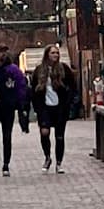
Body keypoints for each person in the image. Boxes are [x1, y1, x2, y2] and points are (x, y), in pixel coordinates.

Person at [29, 45, 77, 174]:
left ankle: (59, 163)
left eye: (57, 53)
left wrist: (69, 103)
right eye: (52, 53)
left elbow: (72, 87)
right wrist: (36, 106)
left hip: (60, 107)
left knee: (59, 136)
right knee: (44, 132)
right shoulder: (39, 70)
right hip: (44, 107)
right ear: (47, 55)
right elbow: (33, 89)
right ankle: (47, 157)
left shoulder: (64, 69)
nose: (55, 55)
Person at [0, 45, 29, 177]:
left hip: (8, 107)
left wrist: (21, 105)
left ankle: (5, 164)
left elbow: (21, 87)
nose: (2, 55)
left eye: (4, 52)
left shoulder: (13, 70)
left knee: (7, 137)